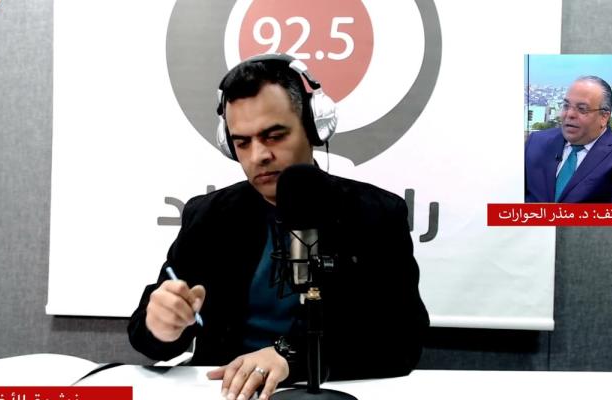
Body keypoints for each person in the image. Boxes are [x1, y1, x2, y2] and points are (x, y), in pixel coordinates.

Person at [128, 54, 429, 400]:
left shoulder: (376, 215)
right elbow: (146, 338)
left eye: (274, 136)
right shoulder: (209, 217)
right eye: (242, 143)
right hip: (225, 393)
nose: (258, 156)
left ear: (313, 128)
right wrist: (160, 327)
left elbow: (403, 341)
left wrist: (290, 356)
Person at [525, 76, 612, 203]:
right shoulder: (536, 142)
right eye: (566, 106)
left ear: (604, 117)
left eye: (582, 109)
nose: (569, 114)